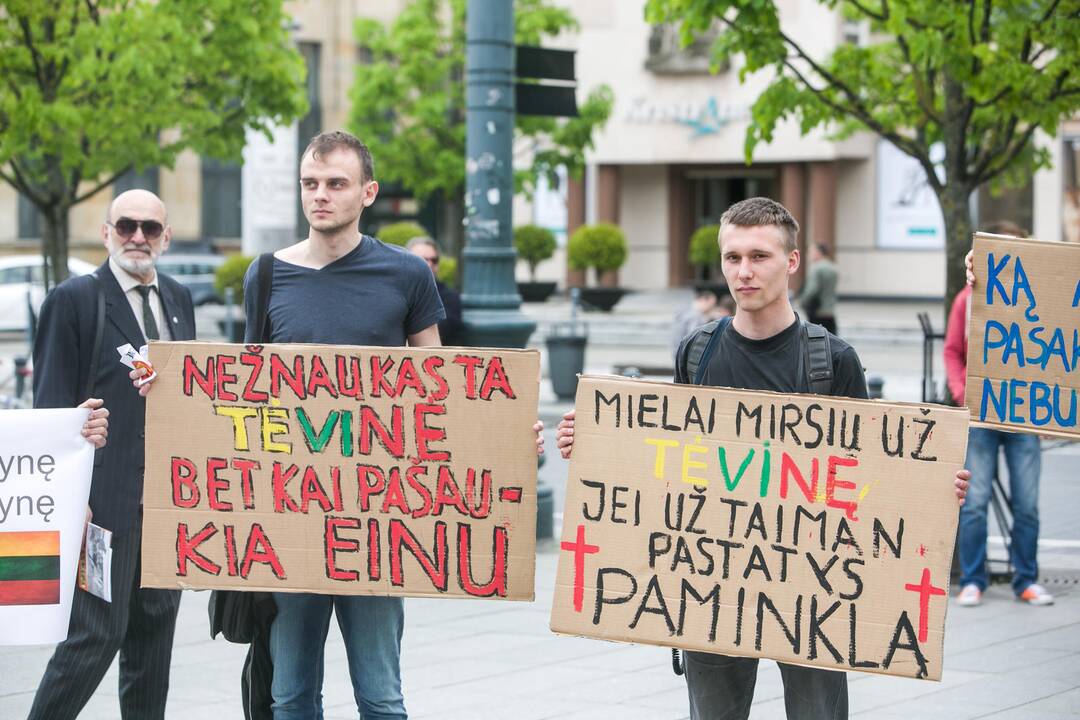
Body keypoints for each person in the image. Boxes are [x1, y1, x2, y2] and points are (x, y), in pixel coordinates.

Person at [557, 197, 971, 720]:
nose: (743, 272)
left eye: (759, 256)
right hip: (712, 585)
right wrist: (596, 447)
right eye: (732, 258)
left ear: (792, 262)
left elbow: (871, 475)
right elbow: (671, 462)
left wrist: (931, 486)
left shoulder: (833, 360)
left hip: (816, 593)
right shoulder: (696, 351)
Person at [29, 189, 196, 720]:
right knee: (95, 637)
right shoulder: (75, 299)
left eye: (150, 228)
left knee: (153, 646)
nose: (138, 238)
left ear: (166, 237)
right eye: (126, 226)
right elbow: (48, 411)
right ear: (106, 233)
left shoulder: (178, 298)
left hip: (167, 508)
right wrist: (67, 501)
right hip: (103, 504)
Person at [944, 220, 1053, 607]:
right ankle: (975, 580)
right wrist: (962, 394)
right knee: (973, 504)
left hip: (1024, 418)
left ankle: (1027, 579)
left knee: (1027, 503)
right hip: (981, 418)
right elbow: (953, 351)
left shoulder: (1042, 304)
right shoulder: (967, 300)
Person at [407, 236, 464, 345]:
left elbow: (445, 328)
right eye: (422, 260)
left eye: (434, 260)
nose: (429, 264)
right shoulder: (395, 291)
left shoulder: (449, 297)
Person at [670, 286, 733, 357]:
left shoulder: (685, 311)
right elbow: (695, 339)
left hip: (678, 352)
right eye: (711, 304)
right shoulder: (695, 316)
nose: (712, 308)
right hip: (686, 355)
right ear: (703, 300)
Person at [796, 242, 839, 334]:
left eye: (811, 252)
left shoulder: (816, 268)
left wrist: (802, 301)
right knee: (832, 341)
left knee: (817, 340)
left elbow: (812, 289)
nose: (808, 255)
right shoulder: (833, 267)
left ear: (818, 253)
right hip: (829, 310)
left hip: (817, 311)